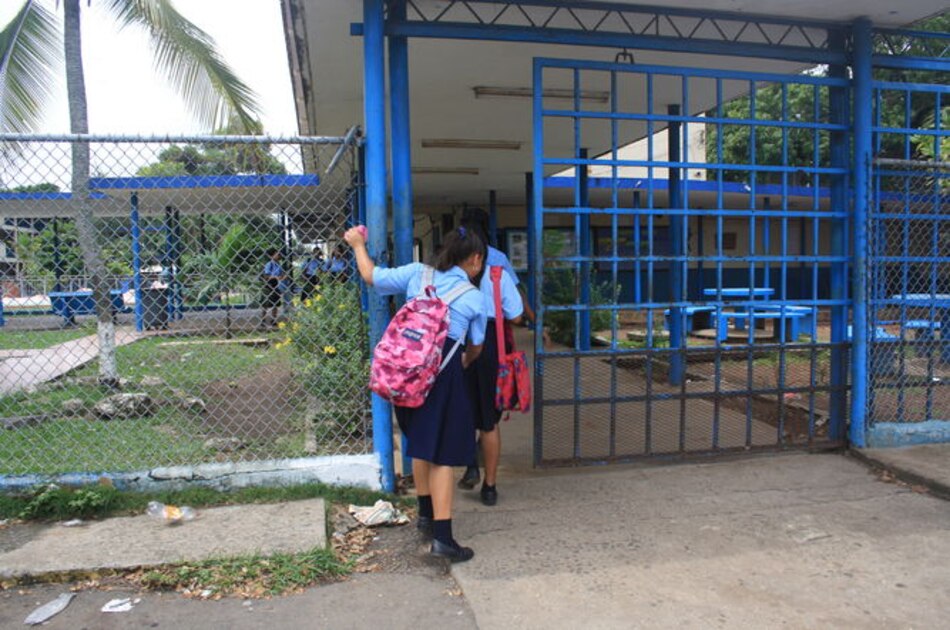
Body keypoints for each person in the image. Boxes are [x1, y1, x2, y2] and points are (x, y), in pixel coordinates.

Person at [344, 225, 487, 562]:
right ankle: (443, 539)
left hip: (405, 376)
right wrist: (462, 360)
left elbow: (370, 276)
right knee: (443, 458)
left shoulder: (415, 274)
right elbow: (476, 347)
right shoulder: (472, 297)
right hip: (443, 379)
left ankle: (424, 516)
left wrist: (357, 243)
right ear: (475, 259)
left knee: (420, 446)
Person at [458, 211, 523, 506]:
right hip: (491, 348)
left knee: (461, 413)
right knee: (488, 422)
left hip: (458, 344)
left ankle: (469, 463)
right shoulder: (499, 273)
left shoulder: (450, 272)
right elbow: (517, 316)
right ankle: (490, 487)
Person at [260, 248, 286, 327]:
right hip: (268, 286)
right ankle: (263, 320)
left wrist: (283, 277)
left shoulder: (278, 265)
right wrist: (275, 277)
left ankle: (273, 320)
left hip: (275, 285)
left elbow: (281, 275)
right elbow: (266, 276)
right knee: (265, 304)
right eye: (276, 254)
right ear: (272, 256)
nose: (278, 255)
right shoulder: (269, 264)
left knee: (275, 304)